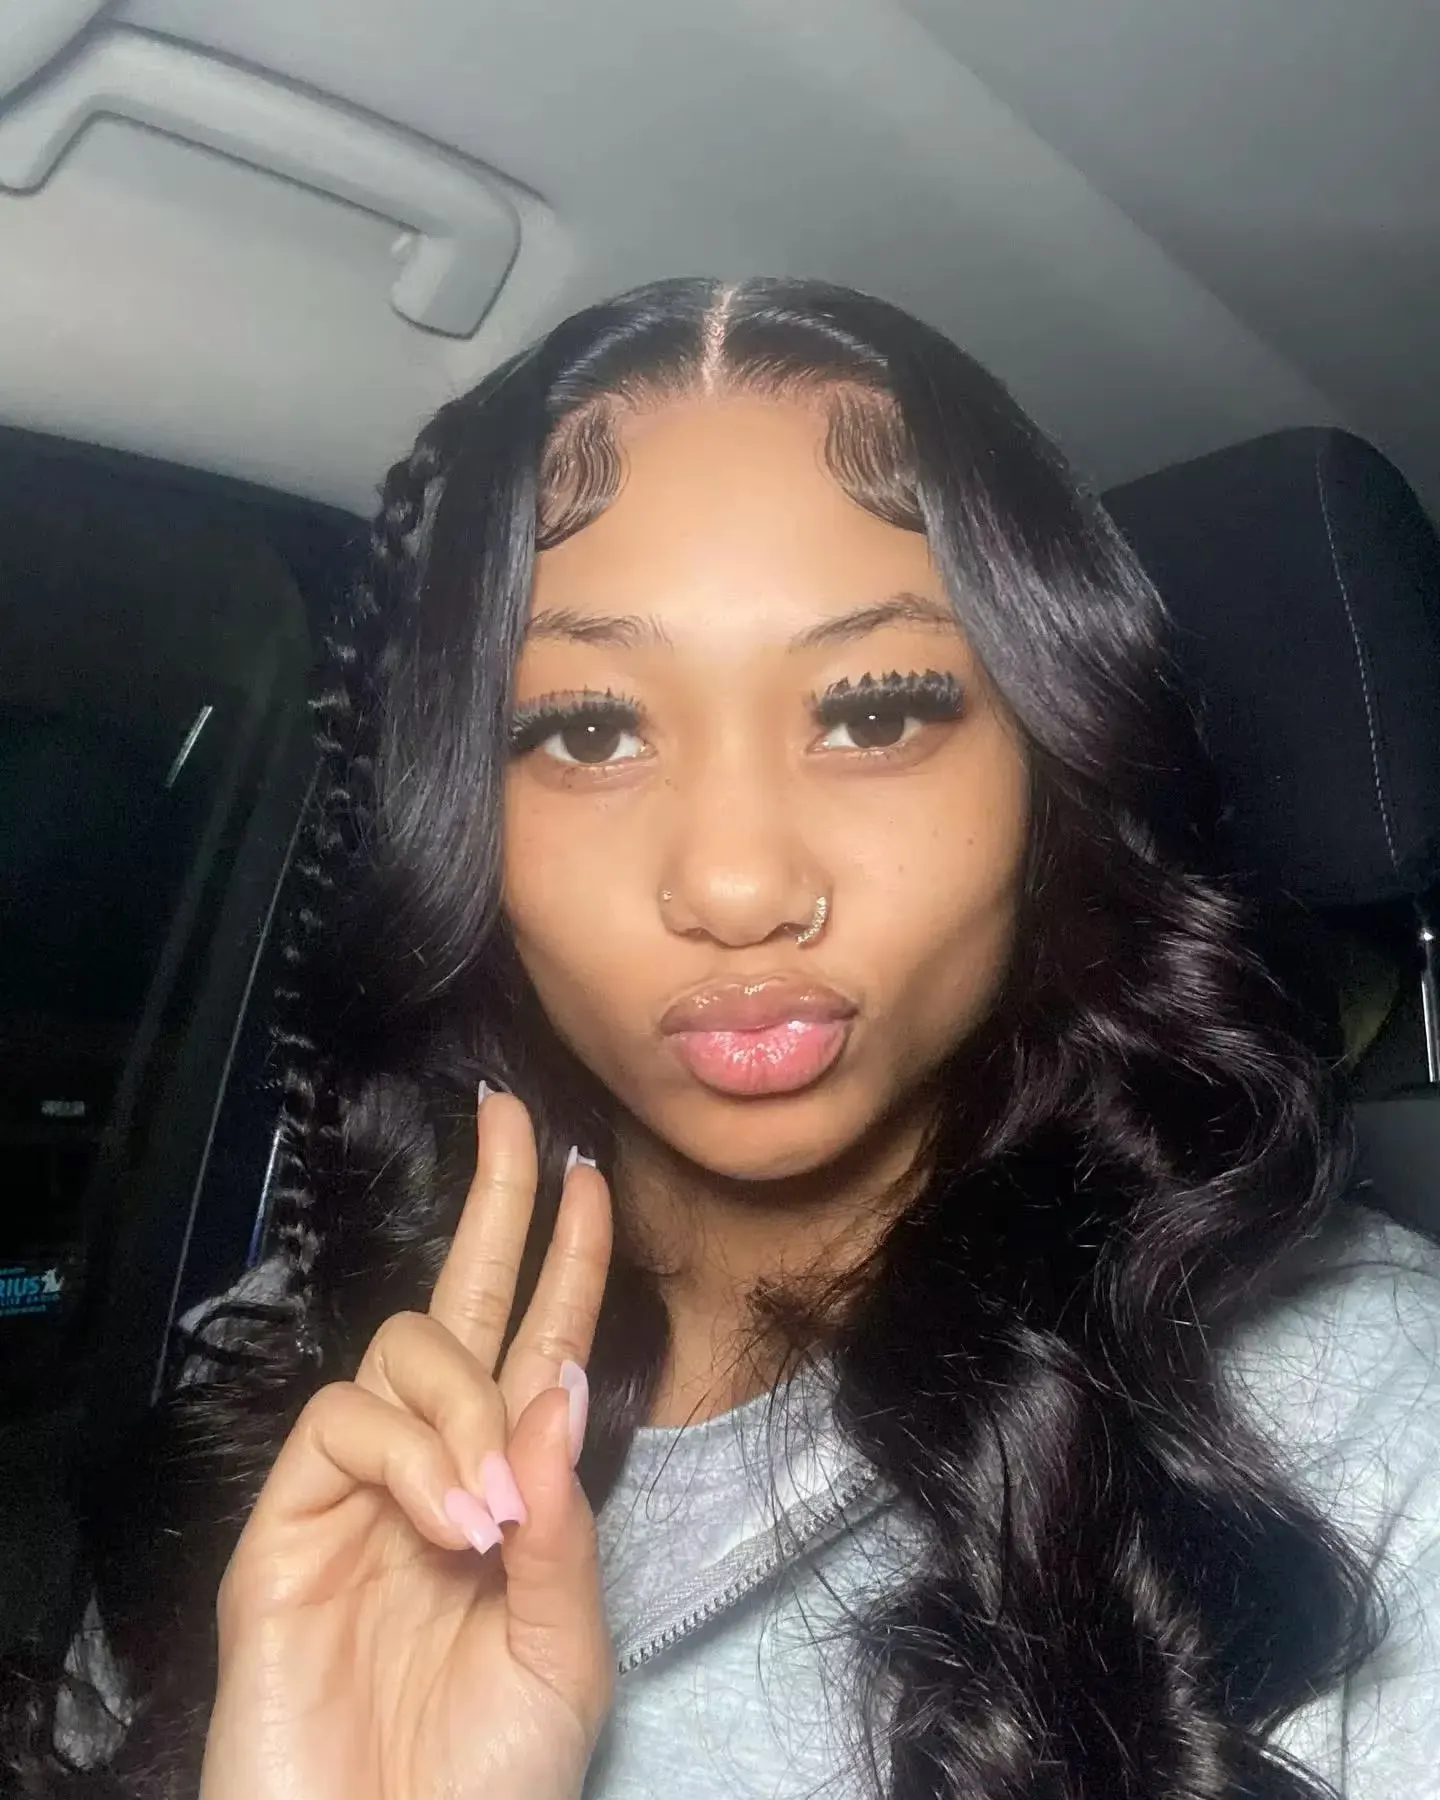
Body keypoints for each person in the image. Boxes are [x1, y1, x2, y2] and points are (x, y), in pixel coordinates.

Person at [12, 277, 1440, 1800]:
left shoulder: (1365, 1415)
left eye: (875, 714)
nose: (739, 887)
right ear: (459, 821)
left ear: (1052, 773)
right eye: (589, 731)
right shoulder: (301, 1364)